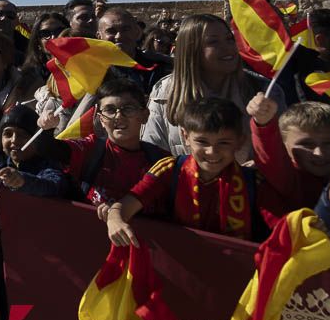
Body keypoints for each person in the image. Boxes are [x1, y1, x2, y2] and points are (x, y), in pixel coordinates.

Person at [104, 97, 265, 244]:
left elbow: (280, 228)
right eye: (202, 141)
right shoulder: (170, 169)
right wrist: (115, 219)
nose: (212, 151)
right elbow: (127, 204)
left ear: (240, 141)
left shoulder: (253, 182)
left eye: (223, 143)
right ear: (186, 137)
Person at [142, 14, 280, 159]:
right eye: (214, 42)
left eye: (229, 39)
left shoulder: (264, 90)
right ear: (191, 49)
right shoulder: (165, 91)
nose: (228, 48)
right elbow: (152, 152)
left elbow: (281, 155)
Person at [38, 79, 170, 210]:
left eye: (128, 109)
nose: (118, 116)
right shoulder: (91, 149)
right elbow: (51, 150)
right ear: (100, 119)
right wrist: (46, 128)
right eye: (110, 110)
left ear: (145, 115)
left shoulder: (163, 162)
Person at [248, 94, 330, 214]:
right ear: (282, 145)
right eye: (306, 144)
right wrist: (263, 122)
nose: (319, 153)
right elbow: (271, 155)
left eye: (329, 143)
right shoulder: (286, 179)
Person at [0, 104, 66, 197]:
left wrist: (22, 181)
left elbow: (53, 186)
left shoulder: (48, 165)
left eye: (22, 134)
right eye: (8, 134)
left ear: (36, 140)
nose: (14, 140)